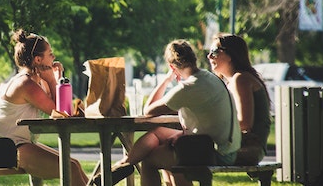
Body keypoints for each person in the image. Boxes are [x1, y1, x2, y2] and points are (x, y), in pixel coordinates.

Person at [93, 39, 240, 186]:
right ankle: (123, 165)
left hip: (215, 152)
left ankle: (121, 167)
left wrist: (166, 80)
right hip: (224, 146)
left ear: (172, 66)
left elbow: (148, 110)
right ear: (193, 58)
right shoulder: (209, 77)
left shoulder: (188, 88)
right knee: (158, 133)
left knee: (149, 160)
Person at [0, 29, 89, 185]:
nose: (53, 57)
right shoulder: (25, 84)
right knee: (70, 168)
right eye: (50, 54)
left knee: (74, 165)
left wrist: (55, 79)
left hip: (15, 144)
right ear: (38, 60)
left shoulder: (36, 82)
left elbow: (62, 110)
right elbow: (59, 112)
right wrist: (52, 80)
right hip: (0, 148)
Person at [208, 33, 272, 165]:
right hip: (240, 145)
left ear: (231, 55)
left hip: (250, 148)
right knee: (175, 153)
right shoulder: (232, 81)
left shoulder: (240, 79)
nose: (209, 56)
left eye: (214, 51)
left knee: (186, 156)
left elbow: (245, 124)